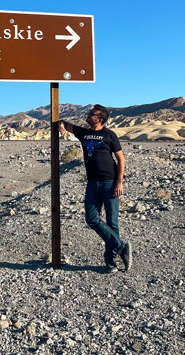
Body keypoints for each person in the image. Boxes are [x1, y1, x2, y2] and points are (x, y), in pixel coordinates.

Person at [59, 105, 132, 273]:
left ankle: (110, 261)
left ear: (100, 119)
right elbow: (64, 123)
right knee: (92, 219)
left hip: (110, 182)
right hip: (92, 183)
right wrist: (60, 124)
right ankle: (121, 246)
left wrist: (119, 182)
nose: (88, 115)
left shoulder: (109, 135)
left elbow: (121, 159)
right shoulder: (83, 133)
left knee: (112, 223)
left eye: (92, 114)